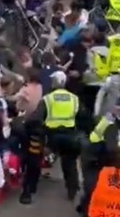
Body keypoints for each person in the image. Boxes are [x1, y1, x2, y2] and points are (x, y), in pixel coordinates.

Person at [29, 71, 83, 201]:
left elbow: (36, 118)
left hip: (51, 137)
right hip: (70, 135)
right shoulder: (74, 98)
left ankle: (31, 187)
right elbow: (83, 117)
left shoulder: (48, 98)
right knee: (70, 163)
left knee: (37, 158)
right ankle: (72, 188)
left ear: (54, 82)